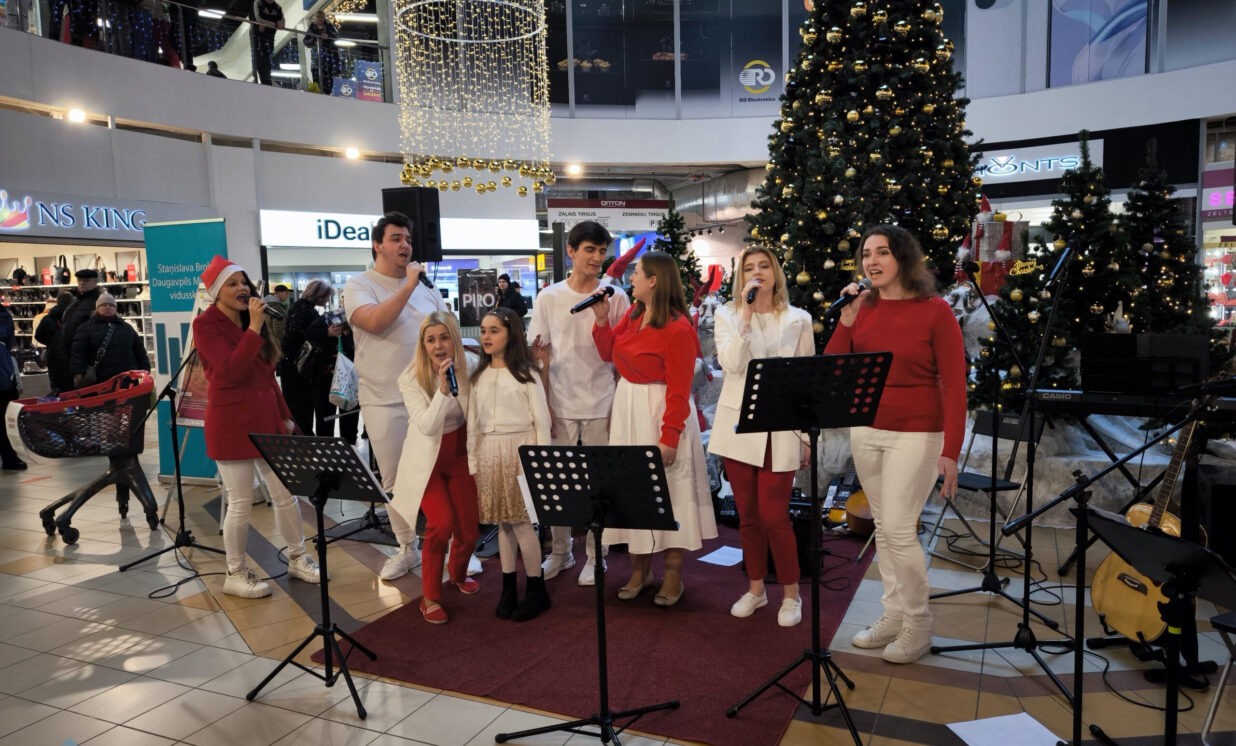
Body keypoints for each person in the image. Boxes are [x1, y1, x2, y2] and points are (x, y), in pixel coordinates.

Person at [824, 225, 965, 664]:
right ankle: (893, 614)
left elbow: (955, 385)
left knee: (900, 529)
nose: (872, 261)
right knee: (884, 527)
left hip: (918, 433)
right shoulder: (862, 307)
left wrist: (951, 451)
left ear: (903, 258)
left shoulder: (935, 311)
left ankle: (918, 625)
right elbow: (833, 369)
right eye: (866, 254)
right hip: (867, 430)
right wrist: (846, 322)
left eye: (882, 252)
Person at [589, 250, 717, 607]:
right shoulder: (634, 313)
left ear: (654, 280)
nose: (631, 278)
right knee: (632, 493)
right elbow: (608, 353)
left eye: (637, 273)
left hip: (661, 413)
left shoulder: (678, 328)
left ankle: (673, 574)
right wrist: (601, 319)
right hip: (629, 409)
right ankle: (639, 570)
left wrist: (669, 437)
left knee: (671, 493)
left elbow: (679, 390)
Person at [192, 255, 321, 598]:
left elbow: (266, 377)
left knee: (285, 495)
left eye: (244, 282)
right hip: (231, 424)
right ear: (216, 291)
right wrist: (253, 328)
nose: (243, 288)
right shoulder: (206, 325)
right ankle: (234, 572)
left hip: (267, 422)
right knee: (240, 502)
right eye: (233, 284)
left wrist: (285, 415)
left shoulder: (251, 322)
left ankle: (298, 557)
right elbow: (228, 373)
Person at [709, 246, 813, 627]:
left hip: (782, 428)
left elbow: (805, 382)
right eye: (750, 268)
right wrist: (746, 317)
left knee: (774, 515)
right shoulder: (727, 315)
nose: (757, 273)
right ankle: (756, 589)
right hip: (739, 426)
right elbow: (732, 364)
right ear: (741, 277)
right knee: (749, 516)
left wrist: (805, 437)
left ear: (775, 272)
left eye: (764, 266)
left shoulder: (799, 318)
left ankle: (791, 593)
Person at [344, 211, 448, 577]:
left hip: (432, 396)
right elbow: (375, 321)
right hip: (383, 397)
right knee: (394, 479)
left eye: (408, 239)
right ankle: (407, 549)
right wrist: (408, 285)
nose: (405, 245)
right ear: (377, 245)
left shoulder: (427, 287)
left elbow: (446, 329)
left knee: (440, 472)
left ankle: (450, 546)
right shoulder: (360, 284)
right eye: (396, 239)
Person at [528, 221, 630, 586]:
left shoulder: (616, 296)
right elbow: (540, 355)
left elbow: (622, 355)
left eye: (602, 251)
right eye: (590, 250)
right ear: (571, 251)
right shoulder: (549, 297)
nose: (597, 258)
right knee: (560, 483)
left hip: (603, 401)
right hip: (560, 400)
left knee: (601, 484)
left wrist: (619, 403)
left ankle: (596, 554)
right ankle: (560, 551)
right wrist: (545, 404)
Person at [393, 312, 480, 624]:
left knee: (468, 529)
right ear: (423, 344)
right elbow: (428, 427)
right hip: (427, 459)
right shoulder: (410, 377)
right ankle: (429, 596)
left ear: (454, 340)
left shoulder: (471, 365)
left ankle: (457, 574)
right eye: (430, 340)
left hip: (460, 453)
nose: (438, 345)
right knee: (441, 524)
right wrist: (443, 391)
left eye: (444, 338)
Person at [469, 307, 552, 620]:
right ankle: (508, 588)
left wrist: (541, 464)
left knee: (521, 522)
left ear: (511, 334)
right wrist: (474, 464)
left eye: (494, 331)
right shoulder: (478, 376)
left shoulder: (527, 375)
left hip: (520, 450)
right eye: (483, 330)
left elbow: (542, 422)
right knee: (502, 522)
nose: (486, 336)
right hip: (490, 452)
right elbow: (473, 425)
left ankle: (536, 589)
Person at [279, 279, 332, 435]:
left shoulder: (304, 307)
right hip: (296, 368)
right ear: (319, 296)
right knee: (300, 409)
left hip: (298, 367)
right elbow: (298, 335)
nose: (327, 300)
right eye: (325, 296)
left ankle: (305, 439)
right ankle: (304, 441)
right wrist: (325, 333)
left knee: (303, 409)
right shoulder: (302, 308)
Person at [69, 292, 151, 387]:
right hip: (100, 381)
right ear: (97, 308)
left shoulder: (127, 328)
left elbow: (139, 350)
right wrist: (78, 372)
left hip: (126, 379)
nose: (108, 307)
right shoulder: (85, 328)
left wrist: (145, 369)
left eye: (111, 305)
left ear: (115, 308)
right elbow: (78, 353)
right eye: (104, 305)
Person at [59, 269, 101, 381]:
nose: (82, 283)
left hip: (87, 358)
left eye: (86, 280)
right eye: (79, 280)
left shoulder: (98, 302)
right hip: (71, 356)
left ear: (95, 282)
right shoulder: (75, 301)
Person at [0, 301, 24, 471]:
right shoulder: (3, 315)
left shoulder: (4, 315)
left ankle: (9, 457)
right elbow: (9, 343)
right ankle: (9, 457)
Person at [34, 292, 74, 394]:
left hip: (54, 357)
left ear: (58, 302)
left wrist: (50, 343)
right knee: (74, 388)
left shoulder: (47, 318)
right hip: (72, 356)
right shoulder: (75, 317)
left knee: (57, 388)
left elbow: (38, 336)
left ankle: (58, 401)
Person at [303, 11, 339, 95]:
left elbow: (336, 36)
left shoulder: (329, 26)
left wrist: (328, 36)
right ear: (315, 18)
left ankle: (327, 92)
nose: (320, 18)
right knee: (316, 74)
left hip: (328, 56)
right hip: (316, 58)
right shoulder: (311, 28)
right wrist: (313, 42)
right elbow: (305, 41)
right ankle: (318, 91)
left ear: (324, 18)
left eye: (322, 17)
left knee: (328, 75)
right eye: (318, 17)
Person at [249, 0, 283, 86]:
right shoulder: (258, 2)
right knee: (259, 61)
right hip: (257, 38)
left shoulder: (278, 7)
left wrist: (264, 23)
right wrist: (274, 24)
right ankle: (265, 84)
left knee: (267, 64)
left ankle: (266, 84)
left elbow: (282, 24)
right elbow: (257, 19)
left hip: (269, 40)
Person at [262, 283, 291, 347]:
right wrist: (281, 345)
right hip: (276, 343)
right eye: (286, 293)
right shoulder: (277, 307)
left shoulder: (266, 305)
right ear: (279, 293)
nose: (287, 296)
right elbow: (278, 330)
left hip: (268, 341)